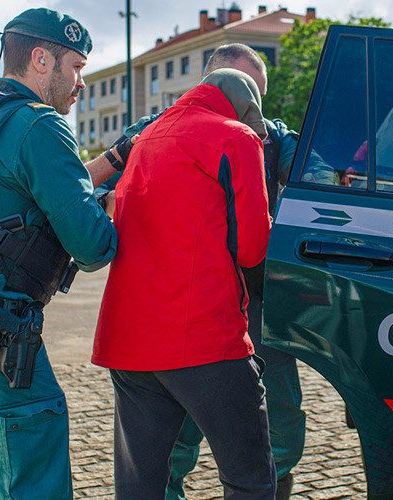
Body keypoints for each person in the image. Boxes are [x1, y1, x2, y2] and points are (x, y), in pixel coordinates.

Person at [92, 68, 276, 499]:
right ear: (246, 108)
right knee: (249, 478)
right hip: (203, 338)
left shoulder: (146, 138)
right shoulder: (237, 138)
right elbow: (252, 249)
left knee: (140, 485)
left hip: (131, 342)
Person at [0, 8, 127, 499]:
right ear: (41, 60)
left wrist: (111, 160)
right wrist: (117, 205)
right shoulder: (41, 125)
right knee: (32, 470)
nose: (80, 82)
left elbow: (19, 186)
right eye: (76, 67)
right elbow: (93, 245)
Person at [162, 44, 305, 500]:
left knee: (279, 411)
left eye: (255, 97)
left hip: (260, 299)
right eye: (236, 90)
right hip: (193, 300)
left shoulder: (275, 139)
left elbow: (321, 177)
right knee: (179, 418)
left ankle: (274, 486)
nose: (246, 109)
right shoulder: (160, 130)